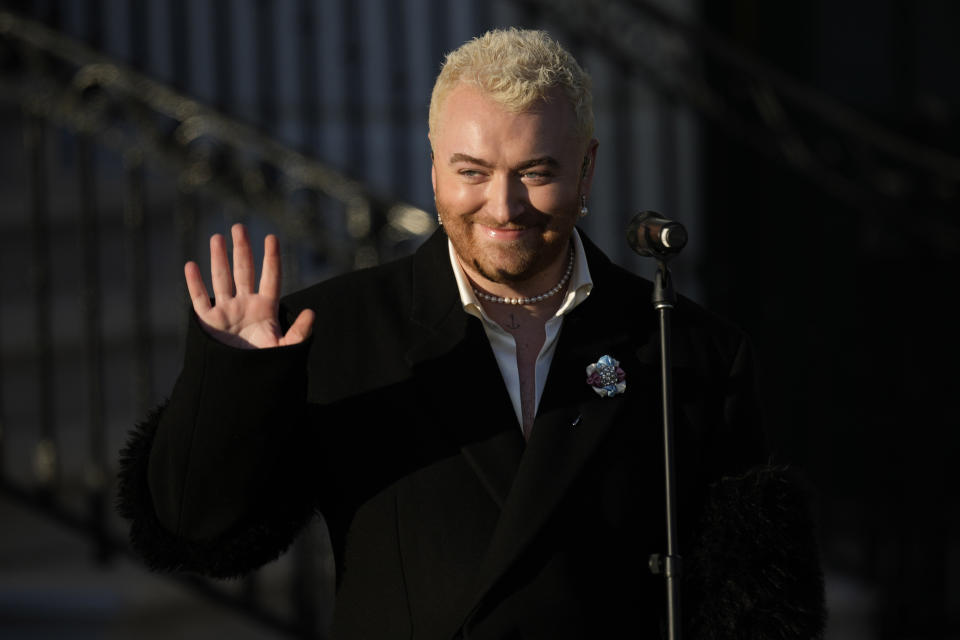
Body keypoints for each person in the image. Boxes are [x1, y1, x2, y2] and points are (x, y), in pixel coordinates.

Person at [118, 28, 825, 639]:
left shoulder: (685, 346)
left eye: (536, 173)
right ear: (434, 173)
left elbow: (756, 610)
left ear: (586, 168)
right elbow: (197, 531)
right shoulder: (336, 331)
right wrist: (237, 385)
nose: (504, 204)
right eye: (473, 172)